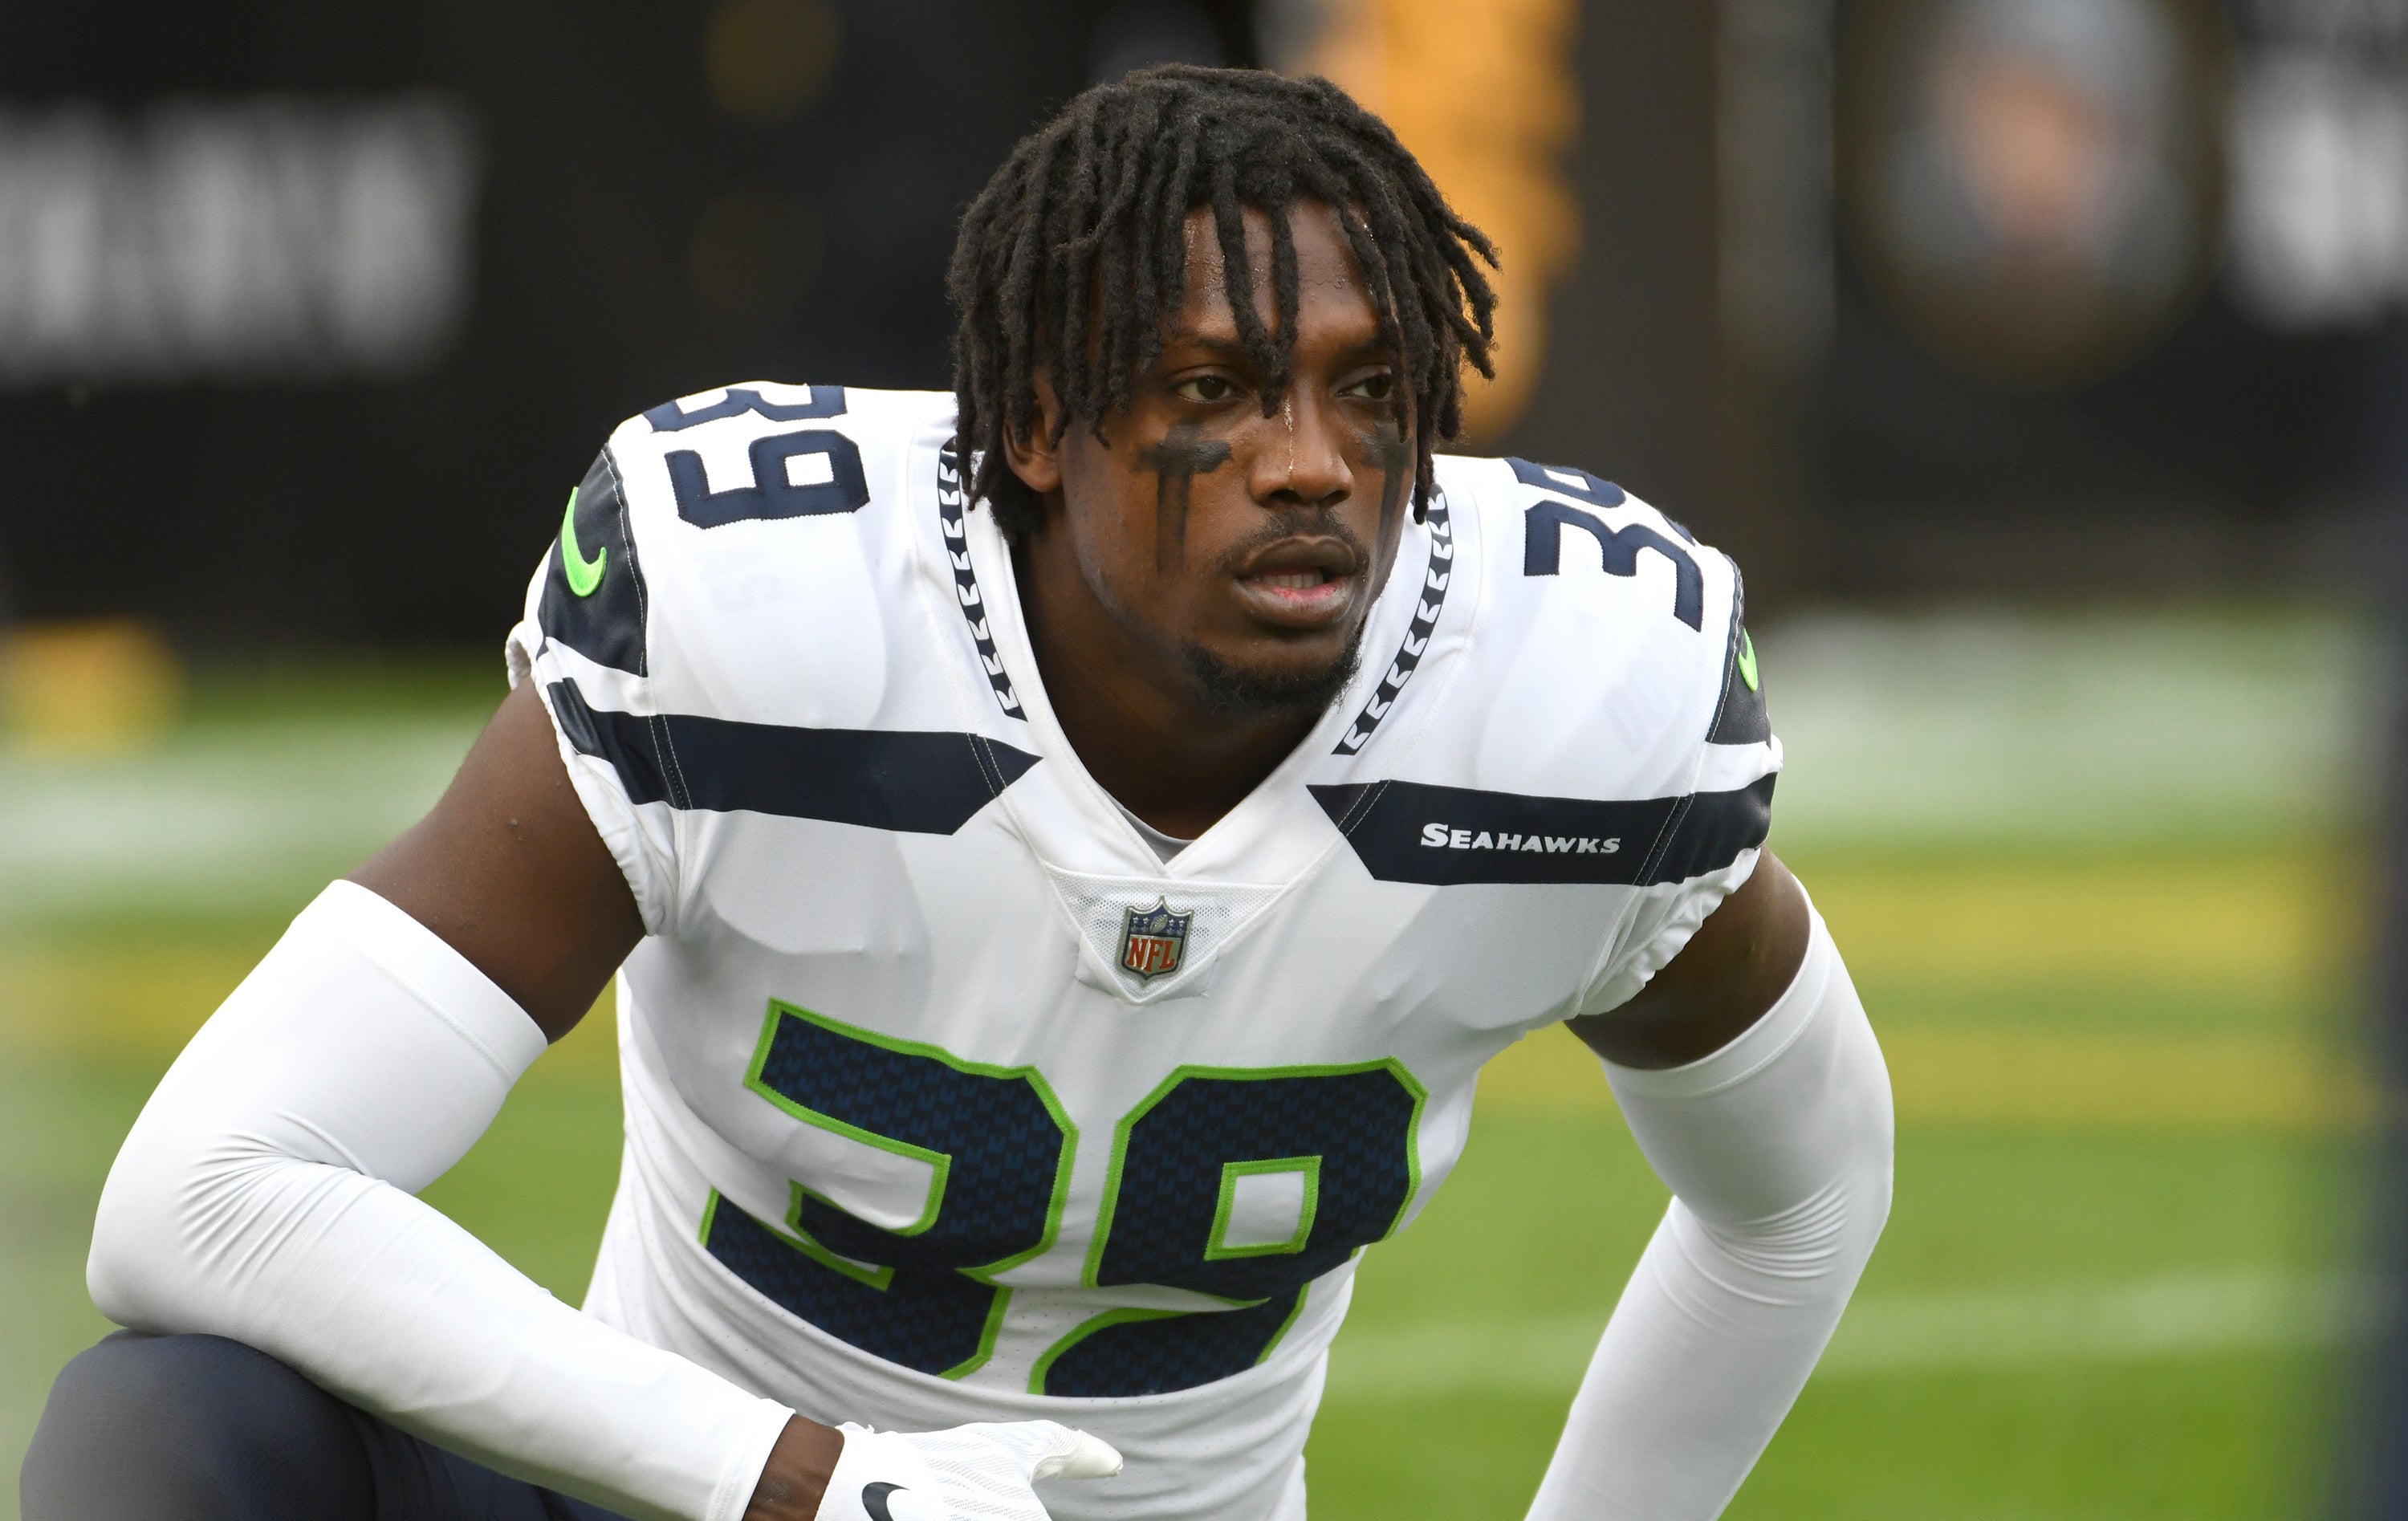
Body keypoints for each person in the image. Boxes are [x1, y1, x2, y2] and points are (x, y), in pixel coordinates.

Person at [22, 64, 1892, 1521]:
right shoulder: (768, 616)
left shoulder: (1575, 693)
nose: (1311, 464)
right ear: (1036, 421)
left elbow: (1805, 1193)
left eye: (1371, 389)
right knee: (170, 1425)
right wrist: (802, 1481)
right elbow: (206, 1188)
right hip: (698, 1497)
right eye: (1214, 390)